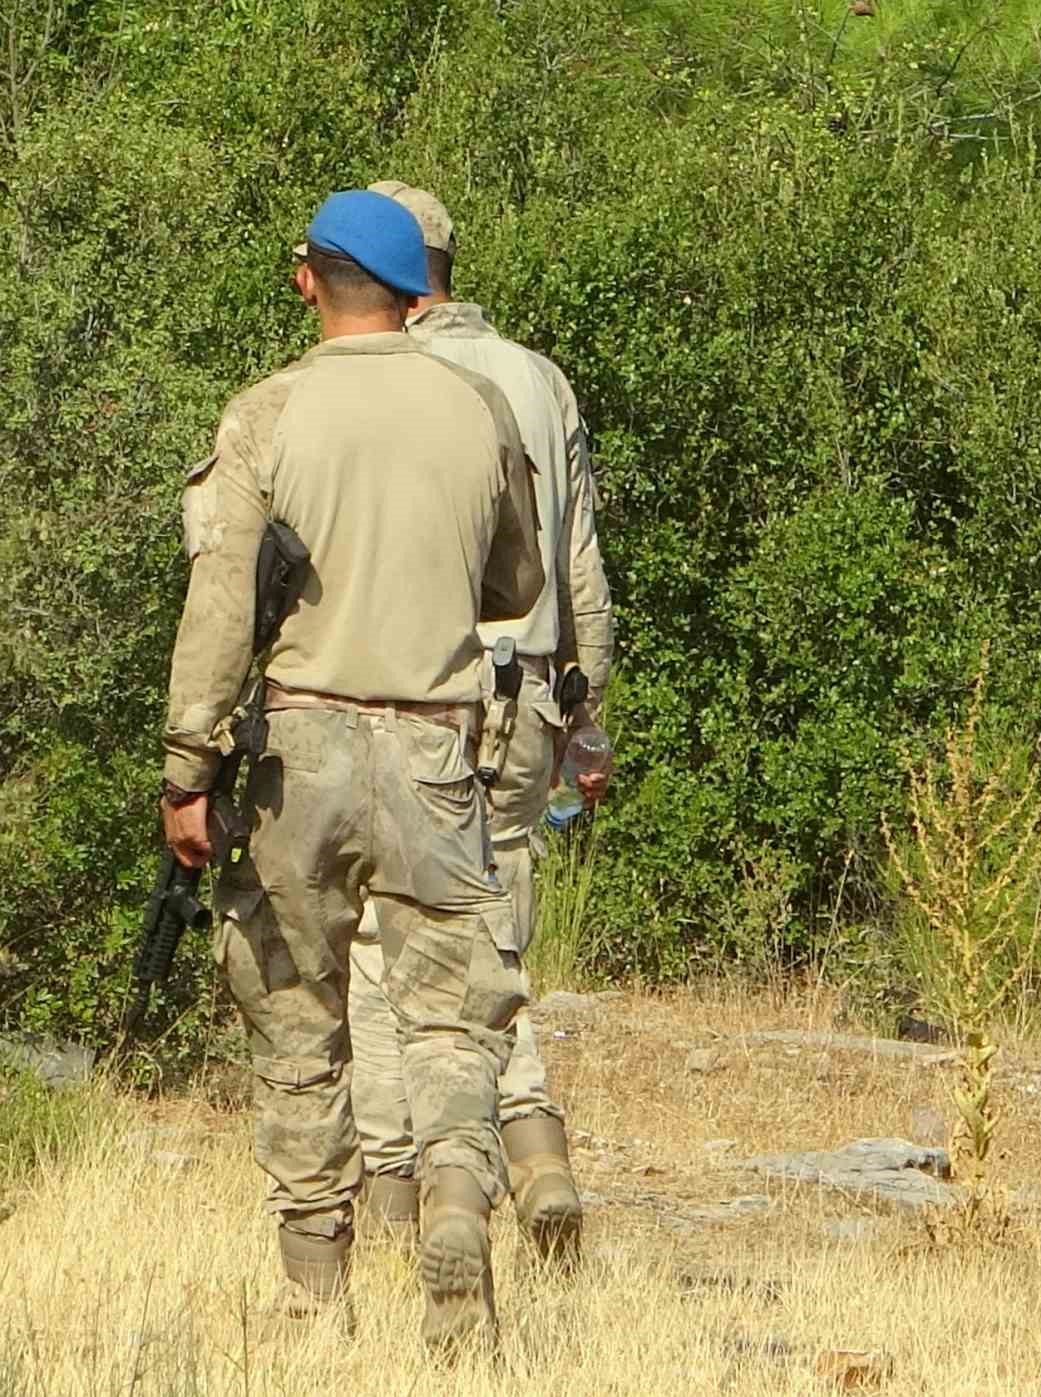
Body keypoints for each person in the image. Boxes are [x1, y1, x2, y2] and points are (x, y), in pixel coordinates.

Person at [160, 189, 542, 1350]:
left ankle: (312, 1285)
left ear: (307, 280)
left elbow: (221, 601)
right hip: (435, 743)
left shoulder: (267, 412)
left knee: (295, 1009)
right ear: (417, 291)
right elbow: (516, 583)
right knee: (451, 1016)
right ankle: (461, 1212)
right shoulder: (475, 405)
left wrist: (189, 765)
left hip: (299, 746)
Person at [345, 181, 615, 1267]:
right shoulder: (539, 380)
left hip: (414, 698)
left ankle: (400, 1194)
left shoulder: (381, 383)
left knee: (381, 946)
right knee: (489, 933)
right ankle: (536, 1146)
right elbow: (581, 565)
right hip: (530, 697)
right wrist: (584, 716)